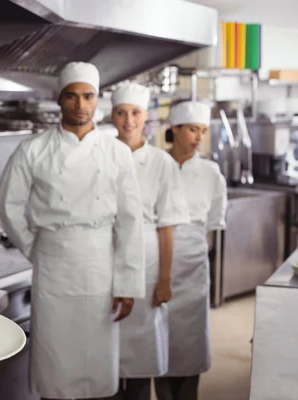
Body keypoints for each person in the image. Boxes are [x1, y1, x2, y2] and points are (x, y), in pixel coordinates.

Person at [0, 61, 146, 400]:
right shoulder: (33, 149)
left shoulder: (117, 153)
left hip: (100, 263)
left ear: (97, 101)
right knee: (54, 361)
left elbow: (130, 220)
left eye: (87, 96)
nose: (80, 104)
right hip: (53, 263)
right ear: (59, 99)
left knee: (97, 358)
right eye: (72, 96)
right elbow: (7, 206)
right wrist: (38, 247)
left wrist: (127, 282)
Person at [110, 83, 189, 400]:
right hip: (106, 258)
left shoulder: (161, 162)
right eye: (121, 113)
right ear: (112, 116)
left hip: (148, 262)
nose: (129, 120)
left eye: (135, 113)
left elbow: (167, 225)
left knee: (142, 352)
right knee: (107, 352)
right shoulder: (102, 153)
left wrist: (165, 279)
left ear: (146, 117)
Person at [154, 101, 228, 400]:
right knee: (160, 340)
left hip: (194, 266)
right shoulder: (156, 165)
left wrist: (194, 250)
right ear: (174, 129)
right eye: (193, 129)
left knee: (192, 340)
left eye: (203, 131)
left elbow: (213, 222)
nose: (199, 137)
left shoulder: (212, 173)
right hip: (158, 263)